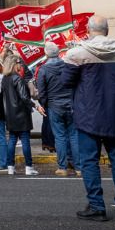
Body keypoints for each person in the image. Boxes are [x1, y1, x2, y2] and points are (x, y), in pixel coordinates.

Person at [64, 16, 115, 222]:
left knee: (89, 161)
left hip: (89, 113)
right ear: (107, 29)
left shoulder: (77, 53)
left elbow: (66, 80)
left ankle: (96, 205)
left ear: (88, 29)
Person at [34, 41, 77, 176]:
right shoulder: (67, 66)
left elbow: (42, 92)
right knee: (74, 136)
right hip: (70, 103)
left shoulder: (43, 70)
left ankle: (62, 167)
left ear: (46, 53)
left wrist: (44, 104)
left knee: (60, 137)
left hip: (54, 105)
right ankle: (79, 167)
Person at [0, 53, 37, 175]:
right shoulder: (17, 78)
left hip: (10, 115)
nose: (21, 66)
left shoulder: (5, 79)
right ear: (15, 64)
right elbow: (24, 97)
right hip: (21, 114)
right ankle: (28, 167)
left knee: (12, 139)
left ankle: (10, 166)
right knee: (25, 140)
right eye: (19, 63)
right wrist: (35, 105)